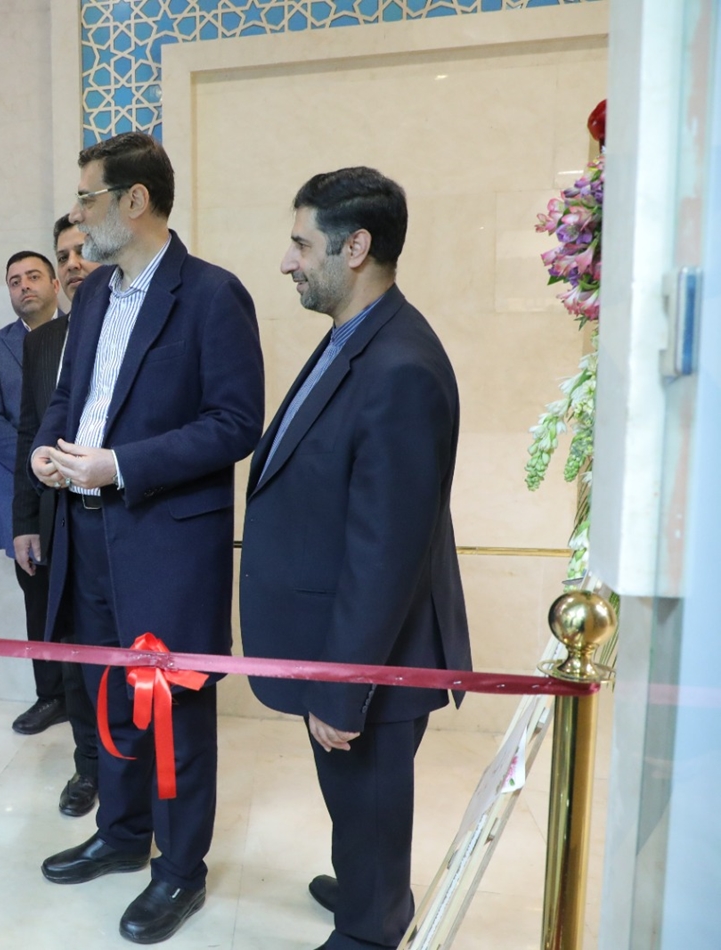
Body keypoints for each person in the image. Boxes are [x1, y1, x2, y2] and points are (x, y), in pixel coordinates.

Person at [31, 132, 264, 944]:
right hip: (85, 531)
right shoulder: (94, 291)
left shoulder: (211, 294)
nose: (75, 216)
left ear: (133, 201)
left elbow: (235, 423)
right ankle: (123, 834)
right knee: (107, 695)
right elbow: (69, 397)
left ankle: (179, 870)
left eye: (86, 198)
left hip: (165, 541)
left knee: (171, 708)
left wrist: (120, 466)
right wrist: (47, 449)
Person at [238, 167, 471, 950]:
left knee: (369, 798)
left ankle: (371, 927)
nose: (287, 262)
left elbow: (385, 551)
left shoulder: (399, 365)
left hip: (371, 655)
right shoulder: (354, 336)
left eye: (301, 244)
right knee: (356, 803)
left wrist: (342, 688)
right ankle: (367, 884)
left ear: (356, 247)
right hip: (340, 641)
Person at [12, 216, 103, 818]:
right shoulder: (43, 342)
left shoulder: (139, 328)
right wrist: (25, 520)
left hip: (127, 518)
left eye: (82, 252)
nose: (72, 265)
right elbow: (30, 432)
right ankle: (88, 767)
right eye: (63, 255)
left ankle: (135, 772)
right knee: (72, 655)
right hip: (60, 521)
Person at [0, 250, 67, 736]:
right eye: (14, 281)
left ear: (55, 283)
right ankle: (51, 695)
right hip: (22, 491)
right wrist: (40, 460)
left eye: (33, 276)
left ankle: (90, 694)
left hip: (81, 484)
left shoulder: (84, 333)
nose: (24, 286)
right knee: (38, 597)